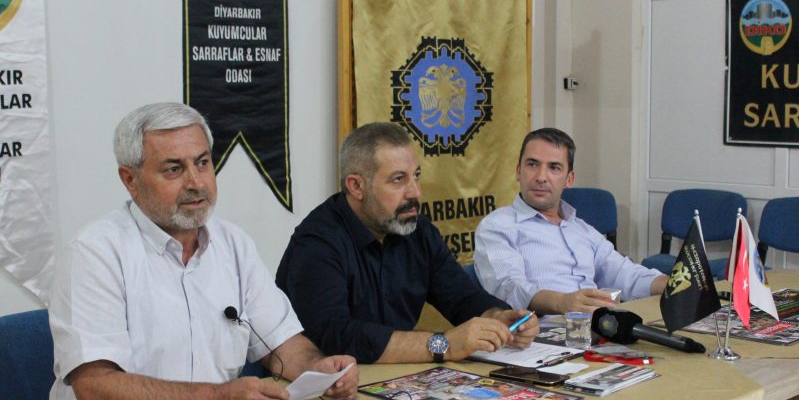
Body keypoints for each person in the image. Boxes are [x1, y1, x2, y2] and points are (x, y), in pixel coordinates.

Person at [46, 102, 358, 400]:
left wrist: (317, 369)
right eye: (174, 169)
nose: (196, 183)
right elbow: (96, 389)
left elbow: (281, 341)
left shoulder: (233, 243)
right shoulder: (95, 253)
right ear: (130, 180)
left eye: (203, 163)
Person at [276, 122, 538, 364]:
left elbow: (461, 296)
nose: (416, 192)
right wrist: (444, 345)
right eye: (398, 179)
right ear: (356, 186)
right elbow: (338, 336)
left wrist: (498, 317)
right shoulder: (317, 242)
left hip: (394, 377)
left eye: (416, 176)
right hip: (324, 381)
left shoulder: (418, 231)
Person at [474, 127, 667, 315]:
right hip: (540, 330)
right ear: (518, 171)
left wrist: (674, 284)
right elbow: (508, 287)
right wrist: (561, 302)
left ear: (569, 179)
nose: (541, 177)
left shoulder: (582, 229)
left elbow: (626, 274)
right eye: (532, 164)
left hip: (596, 326)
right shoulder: (498, 226)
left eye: (554, 168)